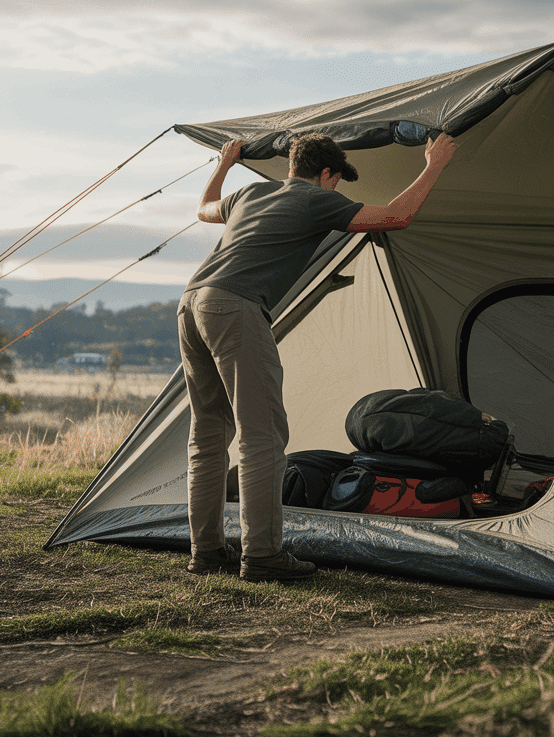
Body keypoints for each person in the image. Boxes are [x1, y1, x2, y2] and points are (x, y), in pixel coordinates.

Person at [179, 130, 457, 581]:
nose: (336, 191)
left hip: (192, 303)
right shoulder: (314, 200)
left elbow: (203, 209)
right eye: (337, 182)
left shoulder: (249, 193)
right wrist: (434, 163)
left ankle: (206, 551)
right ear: (325, 173)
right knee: (262, 436)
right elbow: (396, 216)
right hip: (236, 306)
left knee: (208, 436)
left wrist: (225, 164)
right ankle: (263, 556)